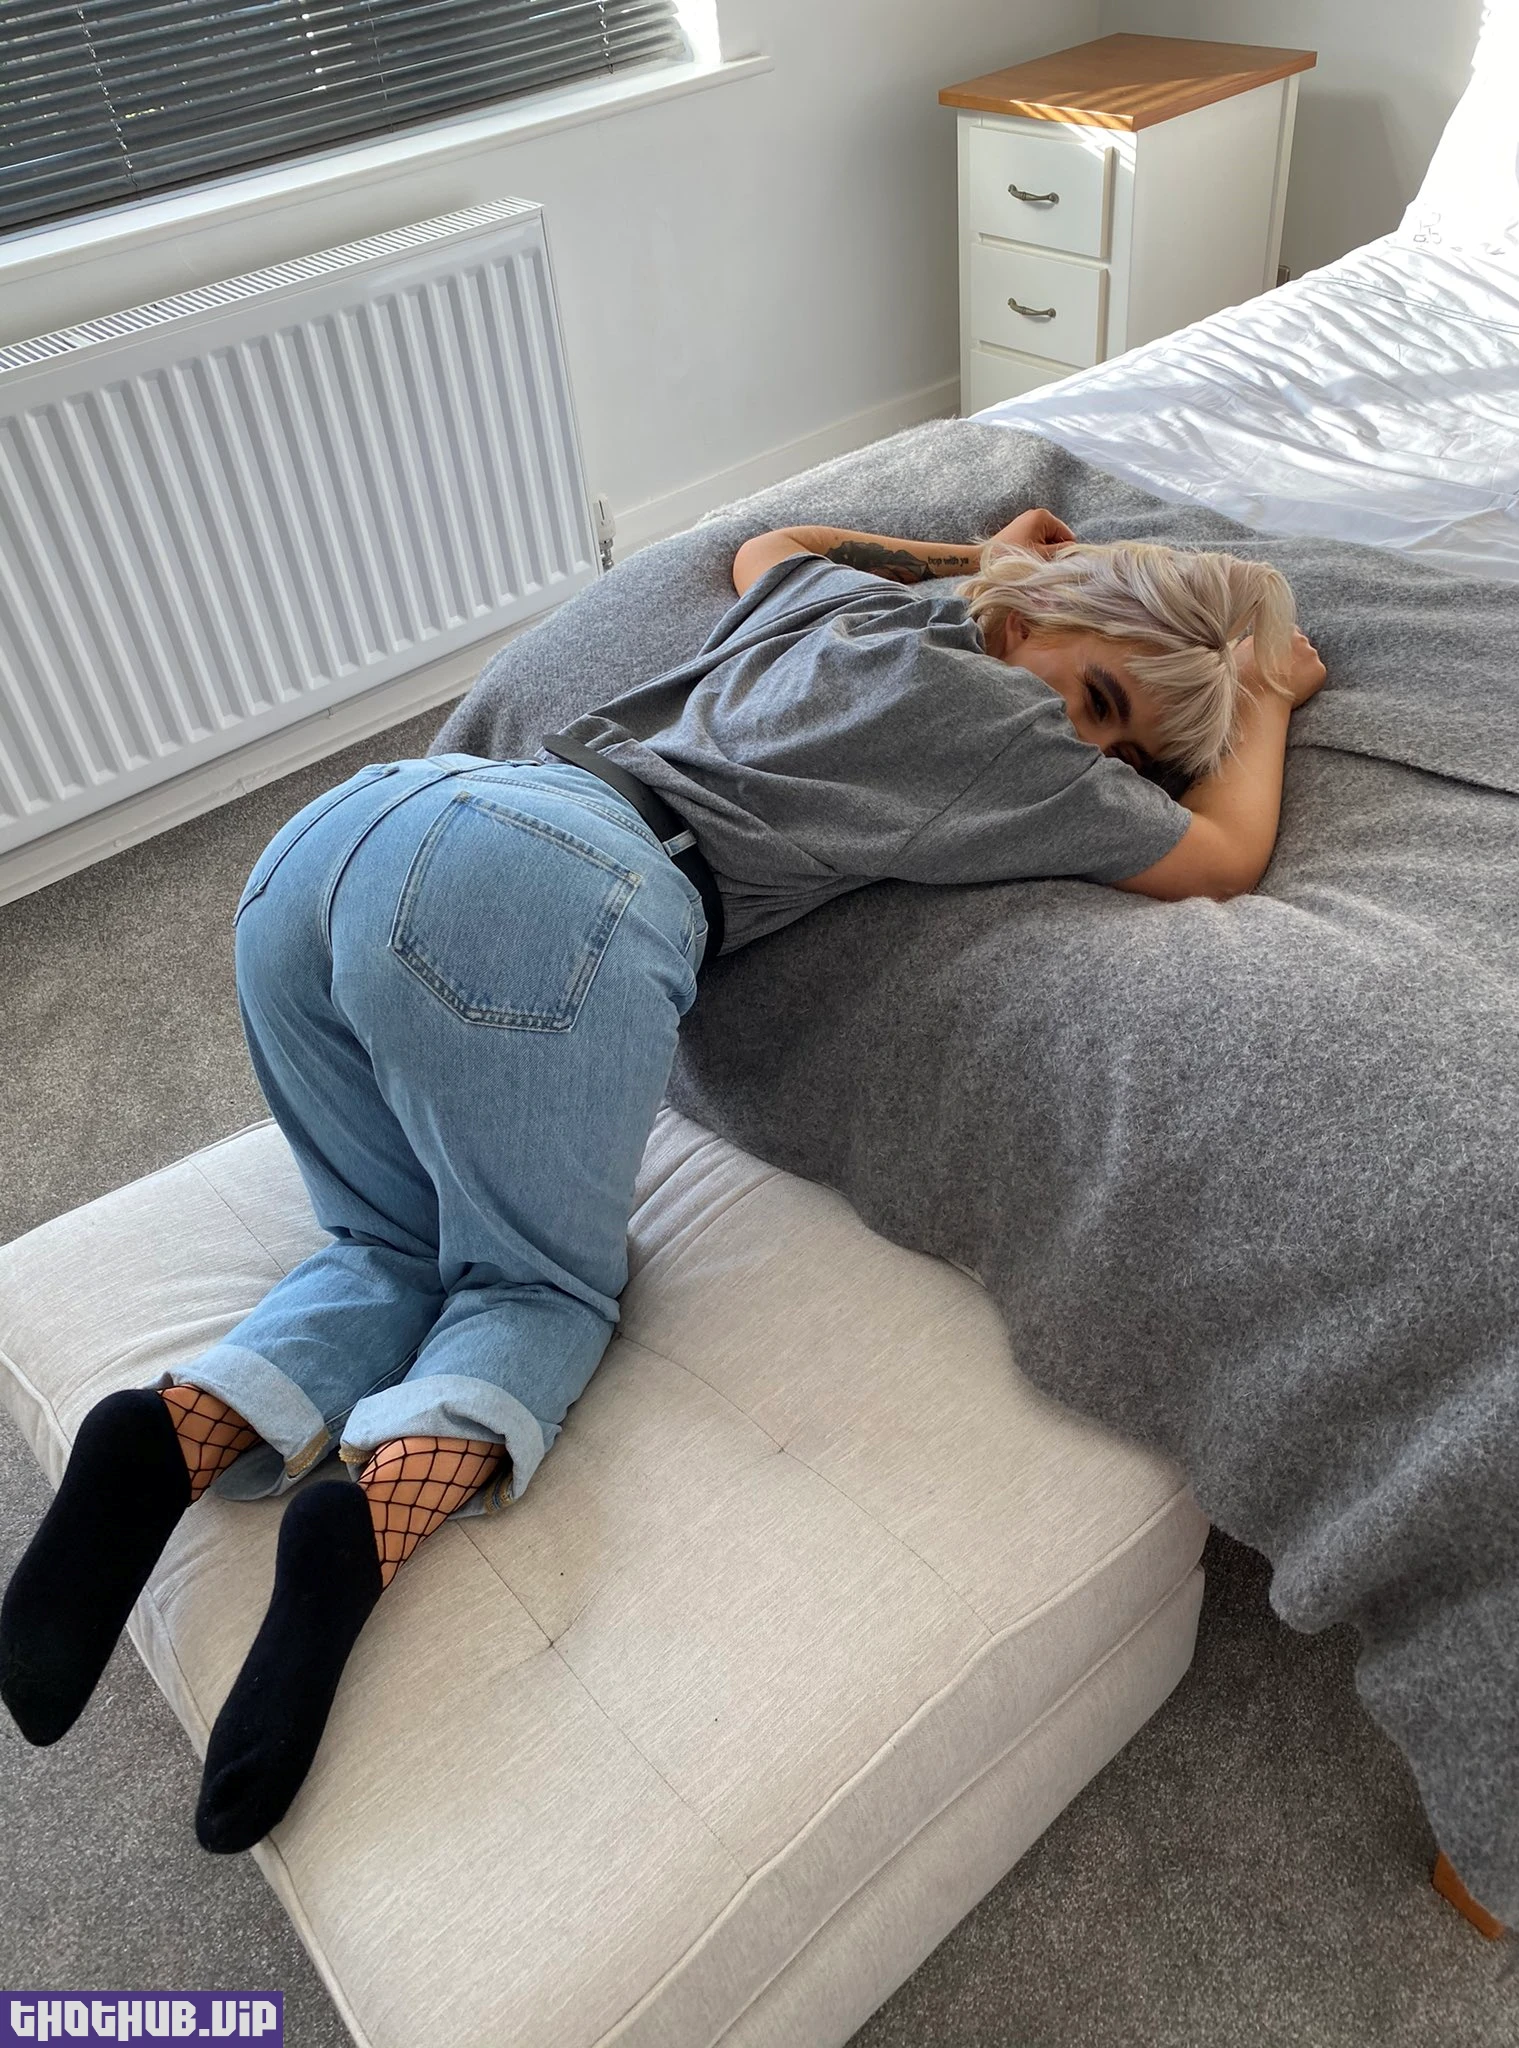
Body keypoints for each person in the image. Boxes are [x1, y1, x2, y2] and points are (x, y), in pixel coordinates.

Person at [0, 507, 1326, 1853]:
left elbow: (769, 545)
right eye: (1100, 699)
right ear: (1033, 627)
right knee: (538, 1290)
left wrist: (978, 557)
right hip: (556, 891)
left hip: (351, 830)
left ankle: (173, 1430)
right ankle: (367, 1528)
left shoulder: (840, 610)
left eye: (1133, 756)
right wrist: (1264, 700)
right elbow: (1223, 857)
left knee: (384, 1241)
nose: (1096, 752)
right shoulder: (1011, 740)